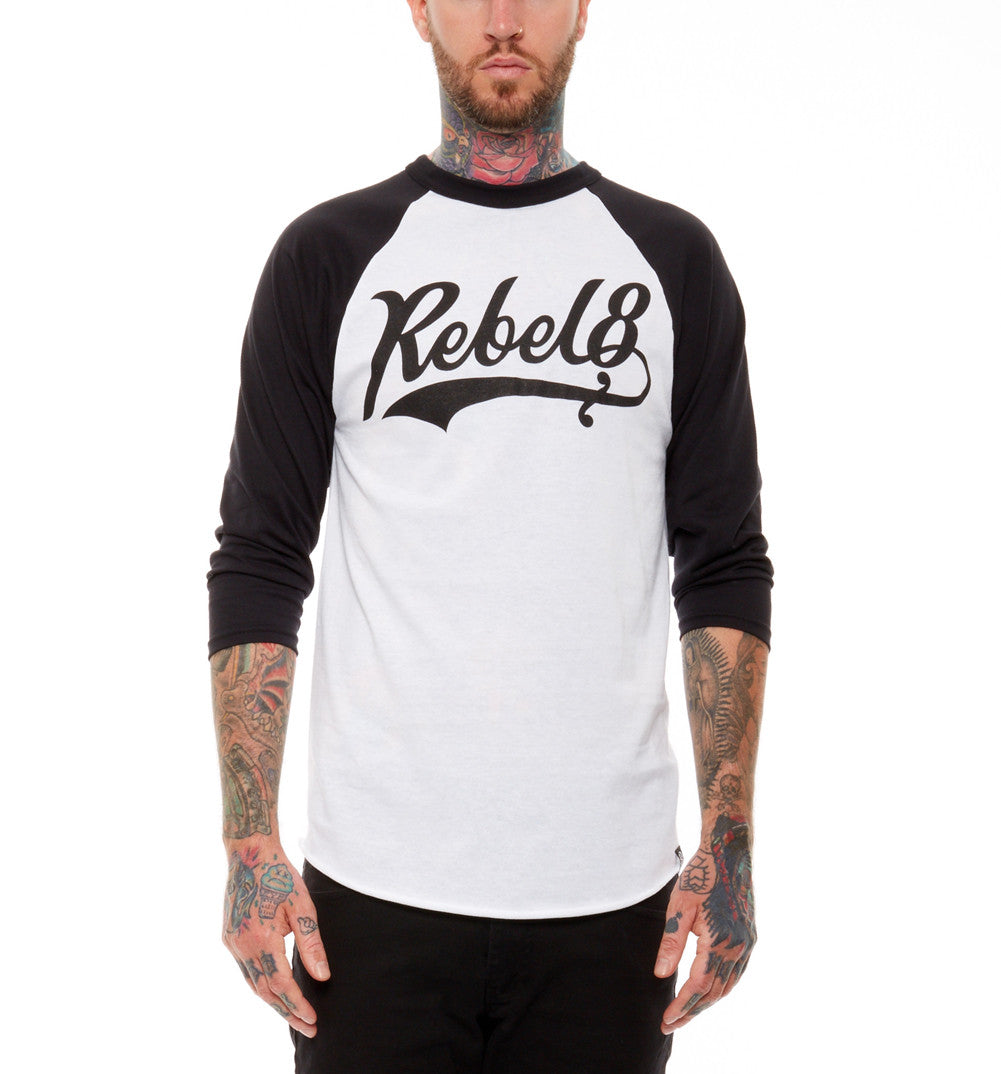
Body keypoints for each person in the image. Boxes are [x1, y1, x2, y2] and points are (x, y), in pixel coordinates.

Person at [208, 1, 773, 1070]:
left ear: (581, 10)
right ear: (421, 9)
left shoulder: (672, 261)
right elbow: (261, 555)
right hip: (367, 900)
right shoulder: (328, 256)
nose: (504, 20)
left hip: (615, 903)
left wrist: (729, 839)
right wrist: (249, 841)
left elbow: (723, 563)